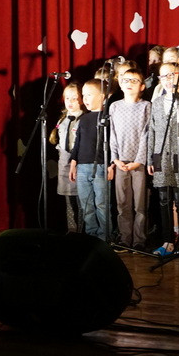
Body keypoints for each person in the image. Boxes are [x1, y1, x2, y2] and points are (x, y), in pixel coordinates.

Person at [147, 62, 179, 257]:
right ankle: (168, 240)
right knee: (163, 200)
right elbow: (151, 132)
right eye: (164, 76)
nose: (168, 79)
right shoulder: (157, 103)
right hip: (161, 157)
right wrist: (150, 158)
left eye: (172, 75)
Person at [109, 68, 151, 250]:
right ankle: (125, 238)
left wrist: (139, 160)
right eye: (126, 80)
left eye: (134, 80)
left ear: (142, 86)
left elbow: (146, 134)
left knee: (140, 204)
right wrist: (115, 159)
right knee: (122, 203)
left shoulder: (146, 106)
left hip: (138, 163)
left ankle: (139, 240)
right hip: (120, 162)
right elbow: (112, 135)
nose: (129, 83)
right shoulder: (114, 106)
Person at [69, 79, 114, 241]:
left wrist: (111, 164)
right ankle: (91, 235)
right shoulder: (84, 119)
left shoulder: (107, 118)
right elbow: (77, 143)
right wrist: (73, 163)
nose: (85, 99)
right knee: (86, 204)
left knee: (102, 204)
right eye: (83, 95)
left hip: (101, 166)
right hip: (82, 167)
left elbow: (112, 143)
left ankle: (105, 236)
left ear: (102, 96)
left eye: (89, 95)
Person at [50, 82, 86, 232]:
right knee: (68, 200)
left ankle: (82, 232)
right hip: (64, 163)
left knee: (81, 201)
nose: (70, 102)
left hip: (79, 163)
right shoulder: (63, 119)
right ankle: (72, 230)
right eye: (67, 98)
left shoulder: (84, 119)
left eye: (74, 98)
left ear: (82, 100)